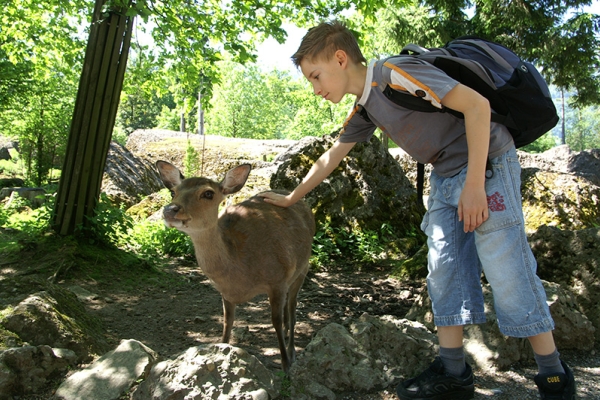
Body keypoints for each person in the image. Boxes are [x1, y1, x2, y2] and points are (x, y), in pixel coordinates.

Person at [258, 19, 576, 400]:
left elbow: (477, 106)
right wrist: (292, 198)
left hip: (486, 164)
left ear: (340, 59)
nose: (315, 89)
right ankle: (454, 372)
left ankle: (553, 376)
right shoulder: (365, 108)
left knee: (506, 268)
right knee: (444, 270)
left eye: (315, 76)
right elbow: (332, 156)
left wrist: (475, 184)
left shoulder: (395, 73)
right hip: (446, 176)